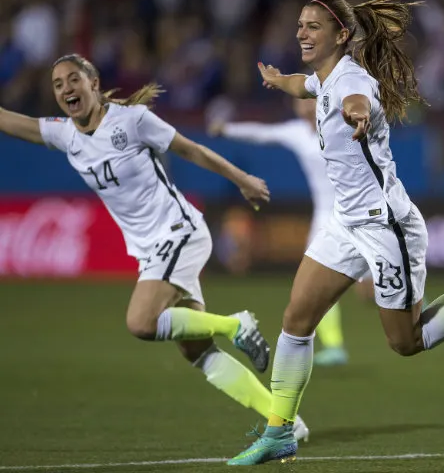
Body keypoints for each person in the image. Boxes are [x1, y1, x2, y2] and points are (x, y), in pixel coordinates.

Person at [226, 0, 444, 466]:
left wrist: (358, 114)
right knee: (296, 321)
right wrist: (281, 82)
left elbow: (359, 100)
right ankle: (280, 432)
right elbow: (308, 85)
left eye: (312, 26)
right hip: (345, 222)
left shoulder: (350, 84)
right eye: (299, 24)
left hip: (386, 226)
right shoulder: (325, 77)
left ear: (341, 35)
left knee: (407, 342)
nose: (301, 31)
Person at [0, 53, 309, 442]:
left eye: (73, 79)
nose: (66, 89)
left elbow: (190, 150)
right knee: (196, 351)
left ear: (93, 84)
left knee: (141, 322)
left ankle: (237, 325)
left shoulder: (132, 121)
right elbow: (11, 121)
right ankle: (284, 423)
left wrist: (241, 178)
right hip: (152, 250)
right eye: (58, 84)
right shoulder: (65, 134)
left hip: (178, 232)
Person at [208, 97, 378, 367]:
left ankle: (412, 298)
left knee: (373, 291)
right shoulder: (297, 133)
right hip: (325, 218)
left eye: (311, 100)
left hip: (357, 213)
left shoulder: (342, 128)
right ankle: (334, 346)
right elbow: (262, 134)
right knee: (318, 284)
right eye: (301, 102)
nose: (306, 107)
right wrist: (227, 130)